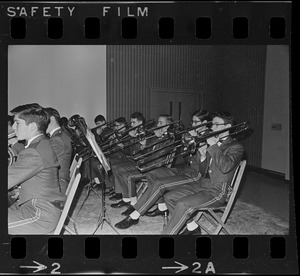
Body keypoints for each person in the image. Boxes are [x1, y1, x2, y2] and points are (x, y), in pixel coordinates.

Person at [114, 109, 213, 229]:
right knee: (152, 174)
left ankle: (134, 215)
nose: (192, 125)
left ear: (205, 122)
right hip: (185, 169)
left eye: (196, 122)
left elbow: (206, 166)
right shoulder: (194, 135)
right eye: (192, 122)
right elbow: (185, 156)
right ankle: (162, 207)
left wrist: (197, 143)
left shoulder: (211, 137)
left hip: (196, 174)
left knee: (159, 184)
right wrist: (186, 144)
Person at [161, 111, 244, 235]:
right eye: (212, 125)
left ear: (227, 127)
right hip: (202, 184)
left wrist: (213, 146)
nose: (212, 128)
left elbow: (225, 167)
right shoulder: (213, 142)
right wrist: (203, 157)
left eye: (216, 125)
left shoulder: (236, 147)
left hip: (217, 191)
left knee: (183, 204)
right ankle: (192, 228)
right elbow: (203, 171)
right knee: (169, 197)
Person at [8, 103, 66, 234]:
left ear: (32, 126)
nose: (13, 127)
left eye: (17, 123)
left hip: (40, 214)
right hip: (38, 204)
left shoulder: (34, 151)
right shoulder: (40, 144)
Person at [111, 114, 174, 213]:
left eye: (160, 123)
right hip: (145, 163)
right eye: (158, 122)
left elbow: (159, 156)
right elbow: (146, 153)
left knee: (128, 176)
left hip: (155, 168)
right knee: (120, 171)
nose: (157, 125)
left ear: (168, 125)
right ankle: (128, 199)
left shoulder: (169, 138)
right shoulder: (156, 136)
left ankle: (134, 204)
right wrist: (144, 145)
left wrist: (160, 139)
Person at [45, 107, 73, 194]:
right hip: (59, 179)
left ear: (52, 119)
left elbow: (44, 163)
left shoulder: (57, 139)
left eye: (43, 121)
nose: (41, 125)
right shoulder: (60, 135)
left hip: (57, 184)